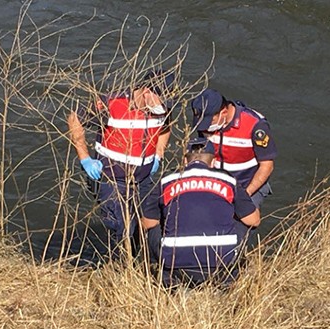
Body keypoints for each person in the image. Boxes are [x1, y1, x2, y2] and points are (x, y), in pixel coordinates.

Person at [67, 70, 175, 260]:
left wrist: (159, 153)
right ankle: (120, 268)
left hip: (143, 179)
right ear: (147, 91)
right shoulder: (113, 103)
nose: (161, 107)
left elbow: (166, 127)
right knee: (121, 227)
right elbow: (75, 119)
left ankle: (139, 262)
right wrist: (85, 158)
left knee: (146, 223)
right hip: (110, 177)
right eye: (159, 101)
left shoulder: (162, 107)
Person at [141, 138, 260, 288]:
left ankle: (166, 279)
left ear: (185, 161)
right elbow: (254, 220)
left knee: (153, 225)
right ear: (213, 162)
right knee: (243, 220)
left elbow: (148, 223)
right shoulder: (229, 180)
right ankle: (230, 277)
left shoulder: (166, 181)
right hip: (221, 264)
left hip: (177, 265)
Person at [190, 88, 277, 209]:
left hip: (247, 185)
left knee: (241, 223)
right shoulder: (205, 124)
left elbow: (267, 166)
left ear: (224, 112)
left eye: (210, 121)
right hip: (215, 185)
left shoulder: (255, 125)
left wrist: (245, 196)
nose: (206, 126)